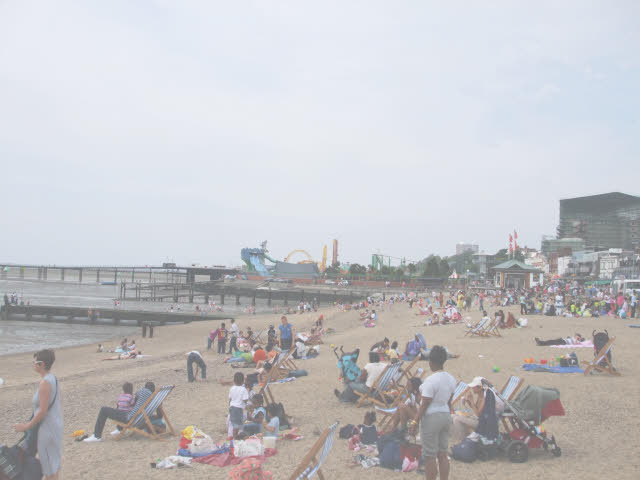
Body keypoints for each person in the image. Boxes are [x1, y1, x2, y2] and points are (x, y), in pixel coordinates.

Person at [13, 349, 62, 480]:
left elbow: (42, 411)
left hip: (47, 430)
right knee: (53, 465)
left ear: (42, 364)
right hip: (55, 426)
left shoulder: (45, 382)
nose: (33, 364)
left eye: (34, 362)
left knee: (49, 467)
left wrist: (26, 426)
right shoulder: (53, 378)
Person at [409, 345, 456, 480]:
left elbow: (424, 405)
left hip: (432, 418)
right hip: (446, 416)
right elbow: (448, 402)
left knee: (430, 456)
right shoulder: (451, 379)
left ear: (430, 361)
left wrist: (414, 421)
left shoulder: (431, 380)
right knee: (443, 454)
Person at [84, 382, 156, 442]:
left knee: (104, 410)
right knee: (121, 410)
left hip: (128, 418)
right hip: (135, 418)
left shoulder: (143, 391)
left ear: (146, 387)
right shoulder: (153, 397)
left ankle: (96, 436)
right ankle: (120, 429)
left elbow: (136, 395)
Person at [451, 376, 504, 442]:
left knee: (457, 419)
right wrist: (469, 402)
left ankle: (464, 442)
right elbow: (477, 409)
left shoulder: (486, 396)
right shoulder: (480, 395)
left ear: (480, 387)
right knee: (453, 416)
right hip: (480, 420)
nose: (472, 388)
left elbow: (478, 414)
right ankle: (464, 440)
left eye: (474, 387)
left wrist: (472, 401)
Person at [229, 372, 249, 437]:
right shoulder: (243, 389)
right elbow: (245, 399)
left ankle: (234, 436)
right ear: (243, 381)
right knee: (237, 425)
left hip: (232, 407)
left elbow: (230, 399)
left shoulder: (232, 388)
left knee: (234, 424)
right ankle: (235, 438)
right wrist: (248, 405)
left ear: (234, 381)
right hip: (238, 409)